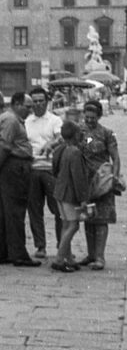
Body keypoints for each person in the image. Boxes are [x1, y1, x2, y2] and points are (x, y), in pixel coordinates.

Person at [0, 92, 40, 266]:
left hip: (7, 167)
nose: (31, 110)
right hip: (14, 167)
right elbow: (4, 147)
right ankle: (18, 254)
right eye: (28, 106)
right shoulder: (12, 121)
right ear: (17, 104)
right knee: (15, 211)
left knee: (4, 212)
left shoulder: (5, 117)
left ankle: (2, 252)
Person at [78, 99, 121, 270]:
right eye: (87, 117)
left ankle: (100, 256)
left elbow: (115, 157)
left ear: (99, 116)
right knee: (88, 217)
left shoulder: (107, 134)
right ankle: (90, 254)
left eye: (93, 117)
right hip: (85, 181)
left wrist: (114, 176)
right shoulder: (79, 131)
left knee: (101, 219)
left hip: (102, 181)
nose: (89, 120)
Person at [25, 86, 63, 257]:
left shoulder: (55, 120)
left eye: (41, 101)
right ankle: (40, 245)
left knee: (58, 209)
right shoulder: (26, 121)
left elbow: (61, 137)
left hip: (50, 169)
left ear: (47, 102)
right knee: (34, 209)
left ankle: (62, 244)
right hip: (32, 169)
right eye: (35, 101)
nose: (38, 104)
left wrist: (51, 144)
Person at [50, 120, 91, 272]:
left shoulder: (60, 149)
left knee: (66, 225)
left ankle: (68, 258)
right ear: (76, 134)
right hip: (70, 194)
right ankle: (60, 259)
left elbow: (54, 169)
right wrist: (83, 199)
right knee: (73, 225)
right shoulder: (75, 152)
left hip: (59, 191)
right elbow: (78, 178)